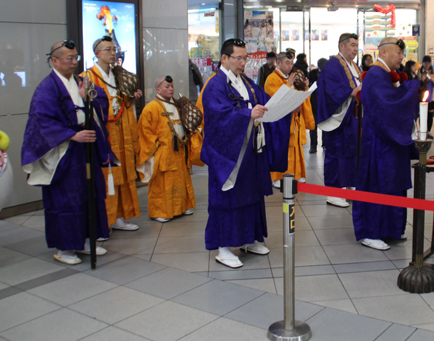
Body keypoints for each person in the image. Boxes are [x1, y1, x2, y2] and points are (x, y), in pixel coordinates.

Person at [200, 38, 290, 268]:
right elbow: (218, 115)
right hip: (228, 155)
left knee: (251, 195)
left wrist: (287, 104)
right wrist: (247, 114)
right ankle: (223, 246)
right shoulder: (215, 84)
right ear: (224, 59)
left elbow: (265, 102)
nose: (243, 63)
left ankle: (249, 239)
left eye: (245, 58)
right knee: (228, 198)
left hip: (250, 150)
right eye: (238, 58)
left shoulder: (247, 82)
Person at [22, 41, 111, 265]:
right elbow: (41, 121)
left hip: (85, 147)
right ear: (54, 60)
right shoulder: (47, 88)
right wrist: (71, 135)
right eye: (68, 58)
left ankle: (85, 240)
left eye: (75, 58)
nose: (73, 63)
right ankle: (65, 249)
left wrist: (87, 97)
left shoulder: (82, 81)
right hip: (63, 151)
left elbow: (101, 101)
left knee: (90, 193)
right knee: (67, 199)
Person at [355, 37, 421, 250]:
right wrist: (412, 89)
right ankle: (371, 232)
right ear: (383, 53)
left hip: (390, 141)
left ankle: (392, 229)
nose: (402, 57)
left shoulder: (385, 75)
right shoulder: (375, 75)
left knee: (393, 185)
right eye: (398, 53)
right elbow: (389, 103)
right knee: (378, 184)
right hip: (378, 144)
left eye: (402, 53)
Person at [82, 36, 142, 232]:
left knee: (122, 174)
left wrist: (132, 98)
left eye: (114, 49)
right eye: (107, 49)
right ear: (97, 53)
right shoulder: (88, 77)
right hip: (104, 133)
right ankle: (103, 220)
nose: (112, 52)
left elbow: (125, 101)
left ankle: (119, 217)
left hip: (121, 130)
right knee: (105, 176)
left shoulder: (119, 75)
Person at [137, 75, 200, 222]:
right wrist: (155, 143)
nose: (171, 89)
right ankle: (160, 211)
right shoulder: (151, 107)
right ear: (158, 89)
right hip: (163, 152)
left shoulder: (178, 104)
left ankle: (182, 207)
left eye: (172, 86)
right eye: (167, 87)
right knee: (162, 182)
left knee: (181, 178)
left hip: (179, 149)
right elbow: (143, 131)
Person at [317, 33, 362, 208]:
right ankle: (333, 192)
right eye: (352, 45)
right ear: (341, 46)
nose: (355, 49)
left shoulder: (354, 66)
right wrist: (351, 92)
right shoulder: (333, 65)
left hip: (353, 117)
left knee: (352, 152)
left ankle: (349, 186)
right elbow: (330, 90)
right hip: (339, 117)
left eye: (357, 46)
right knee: (337, 154)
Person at [265, 52, 315, 185]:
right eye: (287, 63)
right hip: (280, 122)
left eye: (291, 63)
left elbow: (299, 97)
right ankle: (277, 177)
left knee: (296, 148)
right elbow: (275, 100)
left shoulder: (291, 78)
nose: (290, 66)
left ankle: (296, 173)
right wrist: (287, 85)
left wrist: (305, 88)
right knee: (282, 148)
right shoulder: (272, 79)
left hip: (294, 120)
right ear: (278, 63)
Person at [418, 55, 434, 140]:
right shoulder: (419, 72)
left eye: (428, 62)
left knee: (430, 114)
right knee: (422, 114)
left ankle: (429, 131)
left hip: (432, 96)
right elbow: (417, 83)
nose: (427, 64)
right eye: (425, 62)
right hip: (422, 95)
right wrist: (423, 81)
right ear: (422, 63)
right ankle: (422, 130)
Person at [308, 58, 327, 153]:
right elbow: (308, 87)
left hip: (323, 104)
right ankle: (313, 145)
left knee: (324, 125)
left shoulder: (328, 74)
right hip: (314, 103)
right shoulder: (312, 74)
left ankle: (324, 144)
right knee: (313, 126)